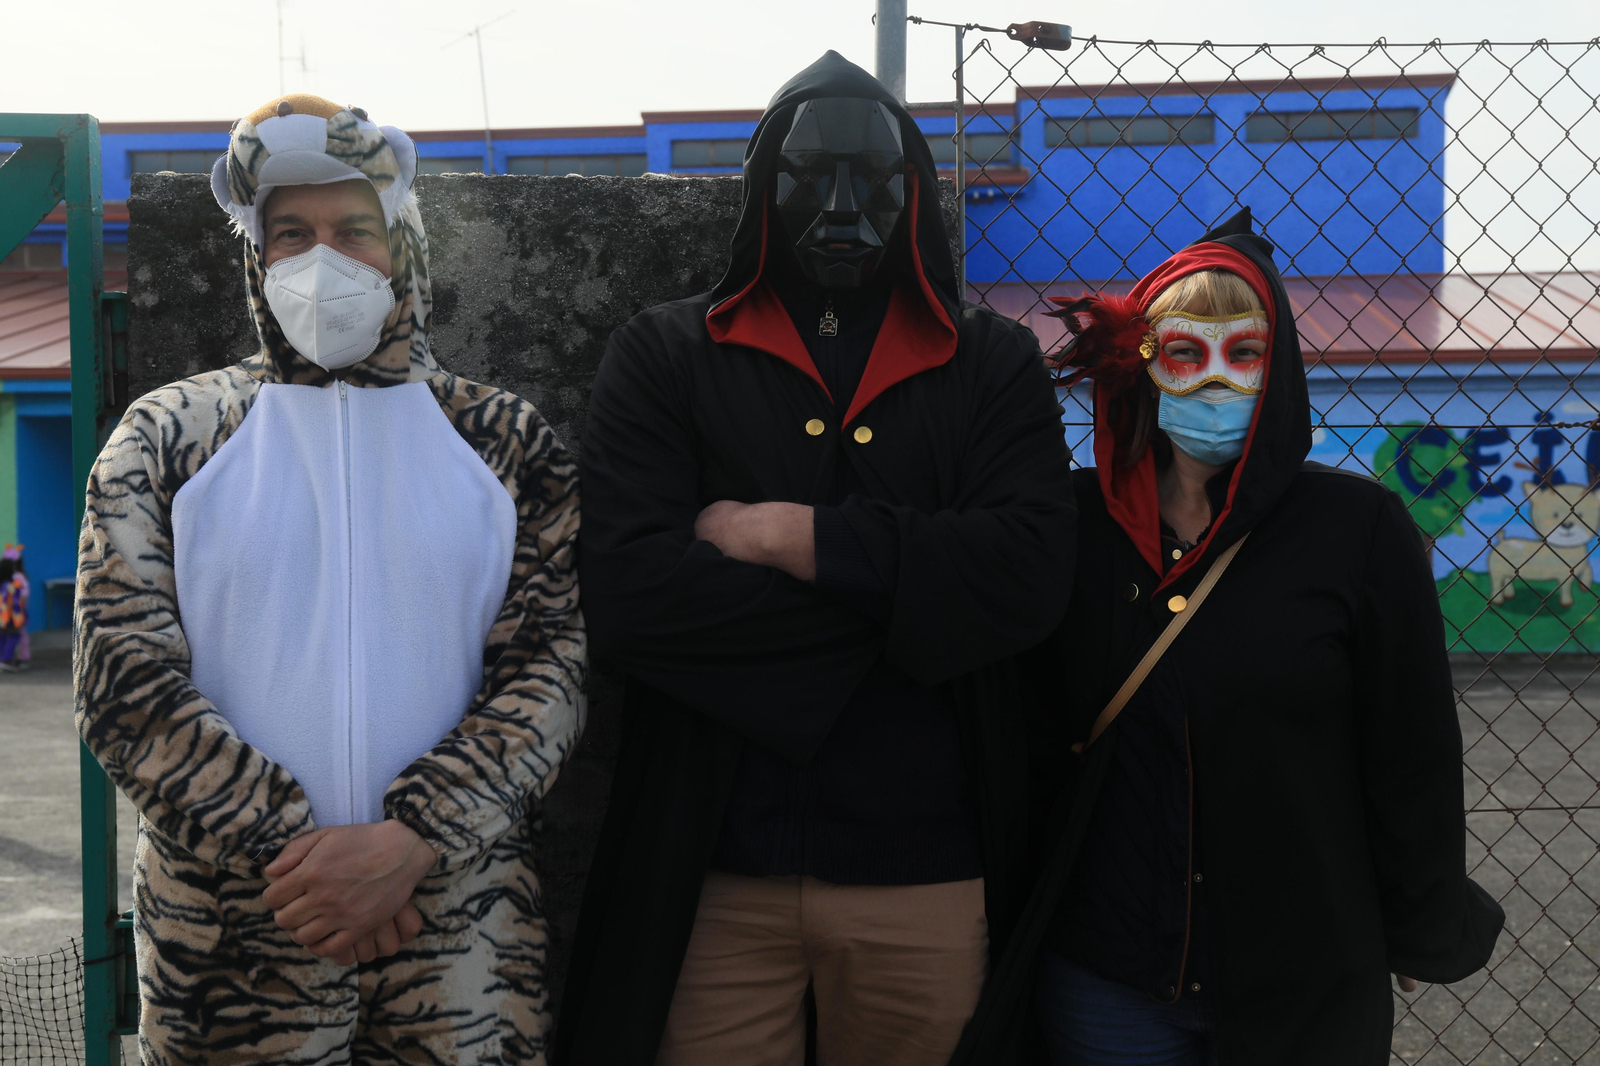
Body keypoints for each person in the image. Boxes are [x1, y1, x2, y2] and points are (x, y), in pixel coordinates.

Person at [555, 51, 1076, 1066]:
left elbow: (1028, 577)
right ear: (761, 188)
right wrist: (916, 611)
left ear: (914, 191)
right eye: (809, 173)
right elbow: (627, 597)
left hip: (924, 868)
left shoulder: (991, 362)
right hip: (713, 869)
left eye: (874, 176)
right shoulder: (665, 355)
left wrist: (781, 536)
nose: (841, 202)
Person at [74, 94, 586, 1064]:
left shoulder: (507, 443)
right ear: (255, 257)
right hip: (229, 949)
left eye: (355, 229)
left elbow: (548, 677)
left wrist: (411, 843)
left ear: (406, 242)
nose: (324, 260)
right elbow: (122, 687)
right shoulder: (166, 437)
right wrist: (309, 862)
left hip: (458, 936)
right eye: (293, 233)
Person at [951, 208, 1505, 1066]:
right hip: (1108, 972)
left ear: (1276, 367)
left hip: (1304, 973)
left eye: (1243, 353)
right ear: (1144, 365)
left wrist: (1420, 922)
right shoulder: (1064, 526)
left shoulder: (1357, 530)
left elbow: (1411, 748)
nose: (1216, 380)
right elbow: (1012, 734)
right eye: (1186, 351)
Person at [0, 545, 27, 673]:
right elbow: (17, 602)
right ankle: (5, 659)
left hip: (2, 617)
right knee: (14, 636)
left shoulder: (2, 584)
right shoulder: (12, 585)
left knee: (2, 637)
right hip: (9, 617)